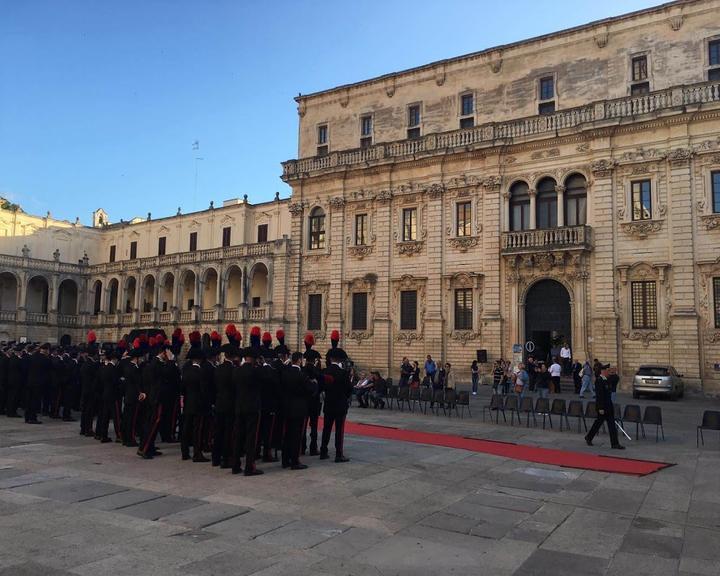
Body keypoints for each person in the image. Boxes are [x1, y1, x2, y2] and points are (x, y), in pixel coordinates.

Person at [231, 346, 264, 476]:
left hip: (239, 407)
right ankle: (249, 466)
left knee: (238, 436)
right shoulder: (256, 372)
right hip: (252, 408)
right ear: (255, 358)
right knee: (251, 438)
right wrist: (262, 364)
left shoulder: (237, 371)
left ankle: (235, 465)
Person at [281, 352, 315, 470]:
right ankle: (295, 460)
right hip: (299, 409)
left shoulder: (285, 374)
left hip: (287, 407)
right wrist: (314, 384)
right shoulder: (301, 375)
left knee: (287, 435)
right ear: (300, 360)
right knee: (296, 436)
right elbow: (310, 389)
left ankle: (285, 460)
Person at [320, 347, 352, 462]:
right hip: (340, 404)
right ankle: (339, 454)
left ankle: (323, 451)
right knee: (339, 430)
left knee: (326, 429)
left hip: (329, 403)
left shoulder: (325, 371)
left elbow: (322, 387)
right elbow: (349, 389)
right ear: (340, 360)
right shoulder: (343, 373)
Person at [211, 343, 239, 468]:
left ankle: (215, 458)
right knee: (229, 432)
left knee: (218, 431)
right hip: (230, 404)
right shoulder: (234, 370)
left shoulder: (217, 369)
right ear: (233, 356)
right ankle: (226, 458)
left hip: (219, 402)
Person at [585, 364, 624, 450]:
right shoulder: (599, 380)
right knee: (598, 424)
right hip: (602, 407)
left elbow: (616, 379)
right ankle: (589, 437)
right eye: (608, 370)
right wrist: (600, 408)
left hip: (609, 406)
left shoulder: (607, 379)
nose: (609, 372)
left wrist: (614, 373)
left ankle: (615, 444)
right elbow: (599, 396)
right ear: (603, 371)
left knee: (612, 426)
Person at [181, 347, 210, 462]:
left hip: (188, 403)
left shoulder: (186, 372)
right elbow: (204, 390)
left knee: (186, 428)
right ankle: (197, 453)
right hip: (199, 404)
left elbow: (182, 388)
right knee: (197, 430)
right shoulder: (201, 372)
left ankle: (184, 452)